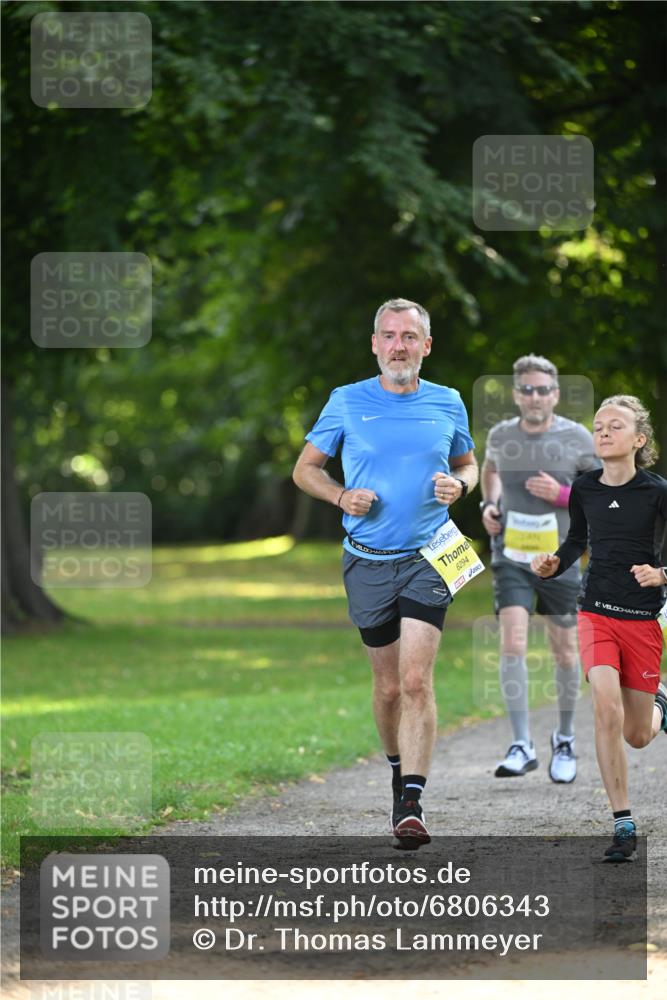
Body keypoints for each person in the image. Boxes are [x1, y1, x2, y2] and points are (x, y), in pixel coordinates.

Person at [292, 298, 478, 849]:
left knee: (418, 680)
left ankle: (413, 802)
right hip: (368, 560)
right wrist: (341, 495)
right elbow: (305, 469)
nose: (399, 345)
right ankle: (399, 769)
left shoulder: (447, 402)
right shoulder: (346, 402)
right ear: (375, 344)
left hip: (432, 555)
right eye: (389, 336)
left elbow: (468, 463)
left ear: (426, 346)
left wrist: (461, 485)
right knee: (389, 686)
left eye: (410, 336)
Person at [532, 395, 667, 862]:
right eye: (599, 425)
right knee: (604, 706)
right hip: (595, 612)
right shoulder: (586, 488)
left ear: (639, 439)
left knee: (637, 735)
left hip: (643, 619)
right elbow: (576, 541)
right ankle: (623, 821)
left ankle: (660, 708)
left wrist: (663, 574)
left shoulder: (658, 492)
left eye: (615, 425)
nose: (604, 431)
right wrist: (553, 564)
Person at [480, 355, 599, 782]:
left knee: (565, 650)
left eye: (543, 390)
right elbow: (490, 469)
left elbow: (602, 494)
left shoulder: (578, 438)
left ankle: (564, 739)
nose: (534, 397)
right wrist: (489, 504)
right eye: (527, 390)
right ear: (516, 394)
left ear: (556, 395)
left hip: (560, 558)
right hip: (511, 554)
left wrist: (563, 494)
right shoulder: (501, 435)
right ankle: (521, 744)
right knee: (512, 642)